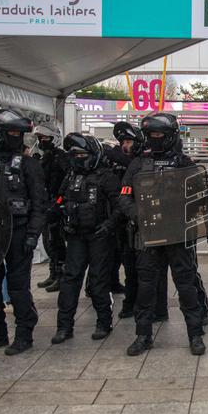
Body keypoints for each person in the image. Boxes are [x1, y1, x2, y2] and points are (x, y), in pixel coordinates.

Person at [119, 112, 208, 356]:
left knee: (186, 286)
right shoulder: (138, 163)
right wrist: (137, 214)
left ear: (170, 136)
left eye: (160, 135)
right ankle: (143, 335)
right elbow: (124, 195)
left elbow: (199, 195)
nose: (155, 139)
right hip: (149, 235)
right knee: (145, 287)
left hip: (178, 235)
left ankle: (195, 334)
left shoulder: (184, 162)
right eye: (151, 135)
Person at [0, 109, 44, 355]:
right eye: (12, 132)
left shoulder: (29, 164)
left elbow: (39, 203)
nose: (17, 137)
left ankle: (24, 333)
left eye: (20, 133)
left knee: (18, 287)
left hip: (19, 233)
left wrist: (32, 234)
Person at [50, 133, 119, 343]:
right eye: (75, 154)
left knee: (98, 281)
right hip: (75, 235)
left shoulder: (107, 177)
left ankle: (103, 322)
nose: (78, 158)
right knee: (70, 280)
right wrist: (57, 211)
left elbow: (119, 205)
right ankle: (64, 326)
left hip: (99, 235)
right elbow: (60, 198)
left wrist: (109, 225)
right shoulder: (72, 176)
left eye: (82, 154)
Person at [105, 122, 166, 320]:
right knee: (130, 267)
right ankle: (130, 303)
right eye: (123, 141)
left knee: (154, 270)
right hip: (125, 221)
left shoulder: (144, 161)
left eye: (129, 141)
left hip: (150, 223)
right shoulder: (120, 163)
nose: (125, 145)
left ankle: (157, 309)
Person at [34, 124, 70, 293]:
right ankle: (54, 272)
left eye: (45, 138)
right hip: (46, 204)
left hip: (58, 205)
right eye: (40, 138)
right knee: (49, 241)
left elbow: (65, 182)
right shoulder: (44, 158)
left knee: (56, 240)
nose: (42, 141)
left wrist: (60, 202)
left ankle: (61, 275)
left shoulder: (61, 158)